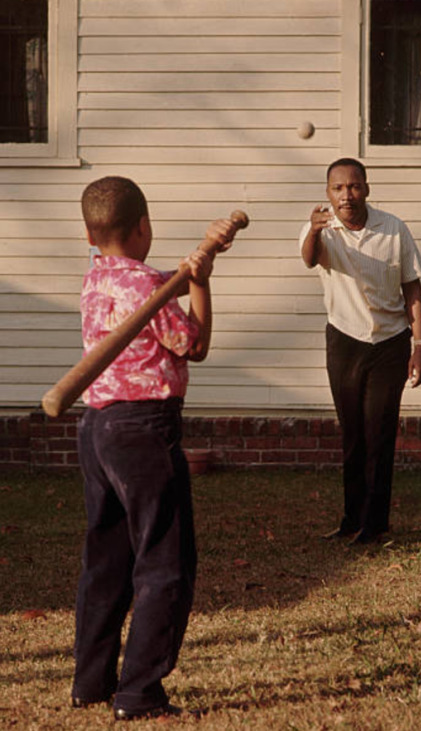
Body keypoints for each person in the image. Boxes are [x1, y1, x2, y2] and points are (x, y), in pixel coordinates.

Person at [71, 176, 235, 721]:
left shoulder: (97, 279)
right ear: (143, 226)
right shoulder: (143, 289)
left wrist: (196, 267)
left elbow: (157, 285)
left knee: (107, 561)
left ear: (92, 233)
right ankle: (139, 692)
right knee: (166, 560)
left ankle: (92, 682)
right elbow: (196, 344)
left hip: (97, 429)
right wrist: (202, 288)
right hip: (142, 430)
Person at [299, 158, 421, 544]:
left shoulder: (394, 229)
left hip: (390, 342)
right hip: (344, 341)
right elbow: (309, 258)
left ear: (366, 188)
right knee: (353, 434)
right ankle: (351, 518)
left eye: (353, 186)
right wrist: (315, 232)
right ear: (328, 193)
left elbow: (413, 290)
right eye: (338, 188)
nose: (346, 195)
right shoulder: (320, 229)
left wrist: (420, 346)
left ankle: (375, 522)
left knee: (380, 432)